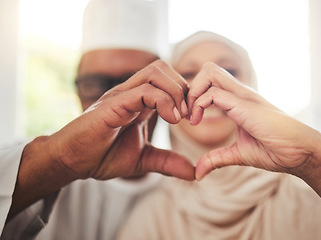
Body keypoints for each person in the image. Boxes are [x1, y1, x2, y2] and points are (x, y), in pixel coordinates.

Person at [117, 31, 321, 239]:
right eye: (188, 73)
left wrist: (320, 159)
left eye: (228, 71)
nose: (205, 84)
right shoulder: (150, 218)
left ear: (252, 87)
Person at [0, 0, 194, 239]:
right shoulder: (36, 166)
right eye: (94, 84)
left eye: (137, 83)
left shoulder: (193, 193)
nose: (116, 101)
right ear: (77, 88)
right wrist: (62, 161)